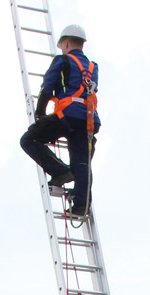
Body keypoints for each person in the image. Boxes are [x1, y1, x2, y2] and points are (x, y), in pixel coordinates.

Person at [20, 23, 100, 219]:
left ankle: (61, 171)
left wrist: (40, 113)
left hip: (67, 116)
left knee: (29, 140)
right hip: (89, 120)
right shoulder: (92, 67)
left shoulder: (62, 61)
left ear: (65, 43)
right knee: (82, 163)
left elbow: (47, 87)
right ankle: (81, 206)